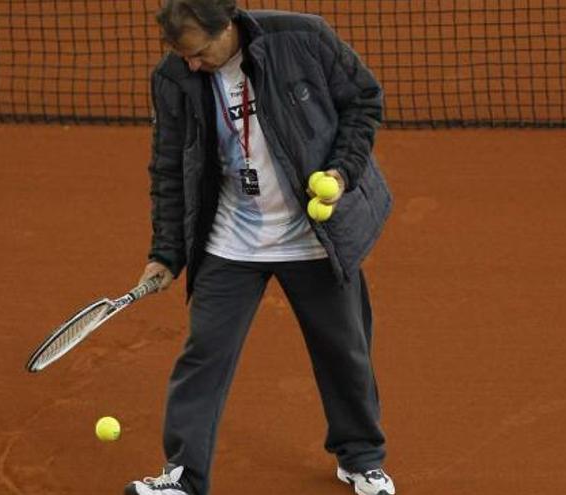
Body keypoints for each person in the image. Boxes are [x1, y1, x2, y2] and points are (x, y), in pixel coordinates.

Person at [126, 1, 394, 494]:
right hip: (232, 237)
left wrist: (341, 170)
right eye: (182, 55)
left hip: (315, 236)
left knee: (344, 352)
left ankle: (360, 458)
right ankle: (183, 478)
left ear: (226, 26)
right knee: (204, 353)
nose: (191, 64)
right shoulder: (174, 77)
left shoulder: (302, 38)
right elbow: (168, 165)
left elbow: (363, 101)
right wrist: (166, 252)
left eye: (200, 53)